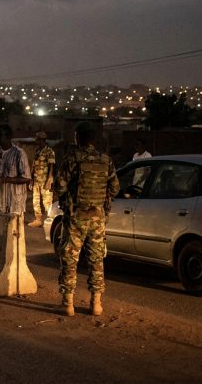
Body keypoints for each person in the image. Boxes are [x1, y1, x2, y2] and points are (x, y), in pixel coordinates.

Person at [55, 122, 119, 317]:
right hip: (97, 218)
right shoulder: (105, 160)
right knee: (96, 260)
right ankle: (96, 304)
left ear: (77, 138)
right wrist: (102, 202)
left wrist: (67, 200)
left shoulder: (72, 159)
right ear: (94, 139)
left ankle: (68, 304)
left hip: (76, 216)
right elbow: (115, 187)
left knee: (69, 258)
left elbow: (59, 185)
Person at [0, 125, 31, 221]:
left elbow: (26, 178)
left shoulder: (19, 153)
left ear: (7, 137)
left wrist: (4, 180)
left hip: (14, 205)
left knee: (14, 230)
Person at [29, 131, 55, 227]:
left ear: (42, 140)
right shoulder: (37, 151)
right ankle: (38, 220)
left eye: (37, 139)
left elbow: (51, 166)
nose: (36, 141)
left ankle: (50, 222)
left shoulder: (49, 151)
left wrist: (49, 180)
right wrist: (31, 179)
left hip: (45, 180)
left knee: (47, 202)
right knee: (35, 201)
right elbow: (34, 166)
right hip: (36, 180)